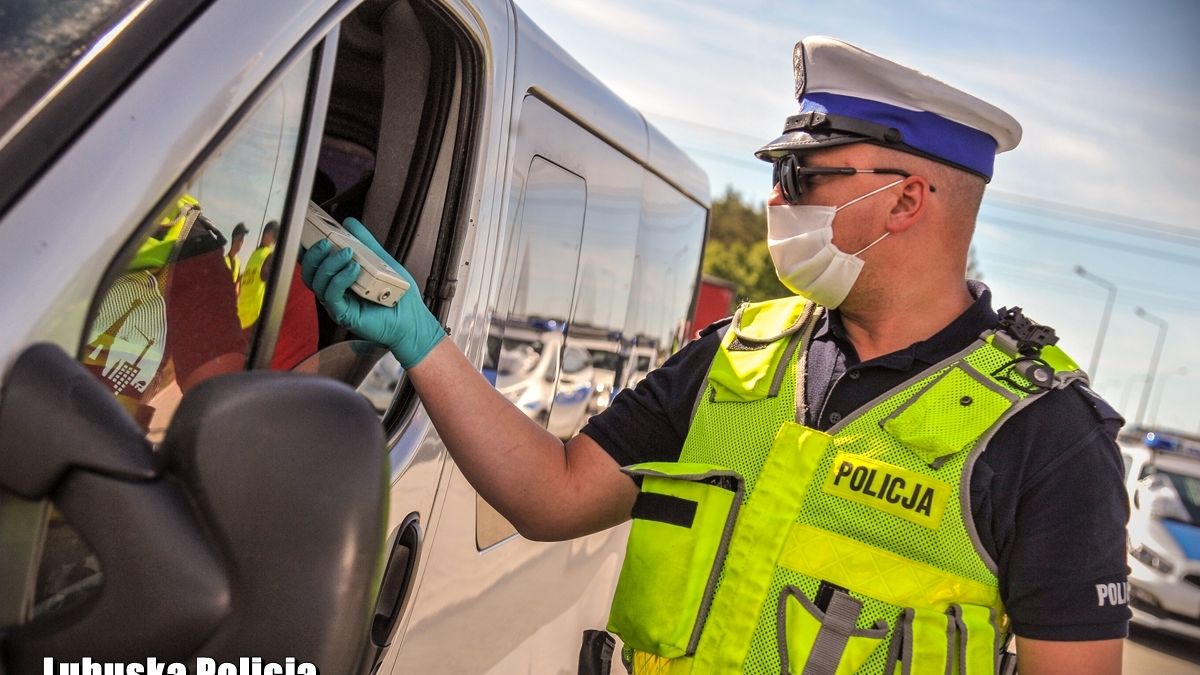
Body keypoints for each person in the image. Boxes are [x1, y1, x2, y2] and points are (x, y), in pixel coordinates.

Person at [301, 36, 1129, 675]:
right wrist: (420, 339)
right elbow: (552, 495)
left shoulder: (1047, 435)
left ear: (906, 199)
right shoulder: (737, 358)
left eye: (803, 177)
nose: (775, 200)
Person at [237, 220, 279, 331]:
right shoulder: (268, 256)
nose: (268, 235)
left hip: (243, 317)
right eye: (273, 236)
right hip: (252, 319)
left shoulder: (254, 254)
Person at [226, 222, 248, 291]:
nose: (242, 242)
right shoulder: (223, 261)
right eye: (241, 238)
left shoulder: (238, 263)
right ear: (235, 238)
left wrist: (240, 279)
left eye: (243, 239)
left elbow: (236, 285)